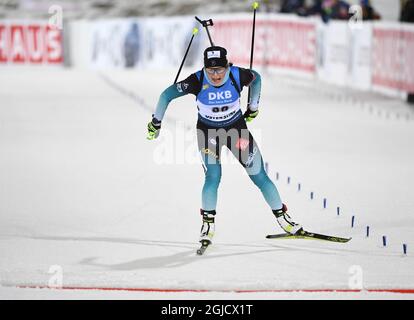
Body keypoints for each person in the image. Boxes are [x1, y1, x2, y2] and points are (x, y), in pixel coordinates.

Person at [147, 46, 303, 245]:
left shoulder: (237, 74)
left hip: (236, 131)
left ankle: (284, 219)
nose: (215, 75)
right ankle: (208, 225)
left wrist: (253, 107)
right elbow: (166, 95)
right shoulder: (196, 80)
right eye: (210, 70)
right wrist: (156, 123)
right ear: (204, 69)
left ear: (227, 66)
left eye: (220, 69)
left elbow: (256, 78)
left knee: (259, 174)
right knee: (213, 177)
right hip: (208, 134)